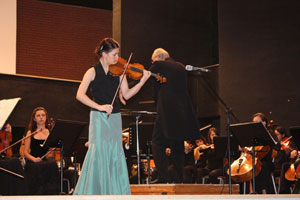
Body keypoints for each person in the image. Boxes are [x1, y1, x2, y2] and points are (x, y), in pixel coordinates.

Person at [73, 37, 151, 195]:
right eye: (114, 54)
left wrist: (142, 81)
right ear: (103, 53)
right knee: (99, 152)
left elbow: (127, 95)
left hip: (115, 118)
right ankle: (97, 191)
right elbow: (79, 95)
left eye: (117, 54)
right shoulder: (92, 71)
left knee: (115, 153)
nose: (117, 58)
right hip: (98, 118)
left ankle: (114, 191)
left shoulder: (118, 73)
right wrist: (99, 106)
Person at [149, 48, 199, 183]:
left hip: (166, 112)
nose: (153, 63)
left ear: (159, 57)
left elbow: (148, 74)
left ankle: (163, 177)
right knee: (177, 145)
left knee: (157, 143)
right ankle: (178, 178)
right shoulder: (181, 67)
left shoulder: (160, 65)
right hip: (182, 113)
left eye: (153, 60)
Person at [23, 107, 60, 194]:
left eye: (43, 115)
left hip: (45, 161)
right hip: (33, 162)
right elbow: (25, 152)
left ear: (46, 117)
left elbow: (54, 149)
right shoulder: (30, 132)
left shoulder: (50, 132)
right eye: (38, 116)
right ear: (34, 119)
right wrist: (34, 159)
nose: (41, 117)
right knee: (37, 168)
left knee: (53, 165)